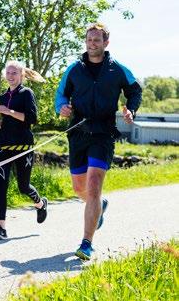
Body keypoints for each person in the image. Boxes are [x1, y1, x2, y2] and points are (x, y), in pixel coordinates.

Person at [55, 22, 141, 260]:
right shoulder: (74, 69)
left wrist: (130, 108)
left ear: (106, 43)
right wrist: (61, 107)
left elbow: (135, 90)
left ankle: (86, 243)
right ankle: (100, 206)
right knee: (79, 188)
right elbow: (60, 93)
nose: (92, 44)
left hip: (103, 133)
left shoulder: (117, 69)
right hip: (78, 131)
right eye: (89, 39)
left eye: (97, 40)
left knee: (93, 185)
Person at [0, 61, 48, 240]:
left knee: (23, 186)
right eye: (8, 72)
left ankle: (40, 203)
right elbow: (9, 123)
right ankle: (1, 228)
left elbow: (31, 119)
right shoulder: (3, 96)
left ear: (21, 75)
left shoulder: (26, 93)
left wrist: (8, 111)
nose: (11, 76)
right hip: (4, 147)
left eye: (14, 73)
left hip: (23, 148)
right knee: (1, 187)